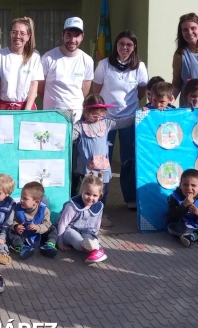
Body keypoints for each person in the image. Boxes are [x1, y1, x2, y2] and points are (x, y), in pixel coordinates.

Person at [93, 30, 148, 209]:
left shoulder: (139, 67)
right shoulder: (104, 64)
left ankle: (130, 198)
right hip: (106, 120)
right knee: (103, 160)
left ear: (134, 47)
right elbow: (96, 90)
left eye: (129, 45)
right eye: (121, 44)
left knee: (128, 159)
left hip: (129, 119)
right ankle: (100, 200)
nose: (124, 47)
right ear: (116, 45)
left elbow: (141, 92)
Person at [71, 94, 134, 202]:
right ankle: (81, 214)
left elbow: (122, 122)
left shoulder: (106, 123)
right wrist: (68, 123)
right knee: (84, 193)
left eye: (101, 115)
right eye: (94, 116)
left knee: (103, 192)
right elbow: (70, 136)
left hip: (102, 169)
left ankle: (98, 212)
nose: (98, 118)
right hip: (85, 169)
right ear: (86, 111)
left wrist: (138, 115)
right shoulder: (79, 126)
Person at [39, 17, 94, 121]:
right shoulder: (48, 57)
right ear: (62, 35)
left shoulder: (87, 60)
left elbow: (84, 90)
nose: (72, 40)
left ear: (82, 37)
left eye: (76, 36)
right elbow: (40, 87)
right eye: (68, 35)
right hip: (51, 116)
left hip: (76, 117)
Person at [0, 17, 43, 110]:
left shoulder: (34, 57)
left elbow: (34, 86)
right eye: (14, 32)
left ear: (28, 37)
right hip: (4, 108)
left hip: (27, 108)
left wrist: (26, 111)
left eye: (22, 33)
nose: (17, 36)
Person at [57, 174, 108, 264]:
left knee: (89, 239)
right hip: (69, 230)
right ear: (81, 191)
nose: (90, 198)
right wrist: (60, 243)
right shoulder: (72, 206)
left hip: (86, 231)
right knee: (76, 238)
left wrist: (94, 236)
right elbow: (62, 224)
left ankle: (94, 247)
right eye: (87, 193)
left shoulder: (99, 206)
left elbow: (97, 223)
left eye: (95, 195)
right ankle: (91, 248)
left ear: (100, 195)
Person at [7, 181, 58, 260]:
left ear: (36, 202)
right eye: (21, 197)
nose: (21, 200)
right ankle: (22, 247)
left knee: (52, 228)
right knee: (11, 232)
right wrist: (16, 226)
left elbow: (46, 224)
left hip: (40, 235)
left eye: (25, 198)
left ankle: (49, 245)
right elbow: (13, 221)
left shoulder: (44, 210)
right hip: (24, 236)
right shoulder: (17, 208)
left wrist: (38, 228)